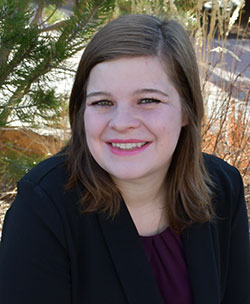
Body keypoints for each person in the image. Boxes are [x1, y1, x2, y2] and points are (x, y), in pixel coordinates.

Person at [0, 14, 249, 304]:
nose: (122, 122)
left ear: (186, 109)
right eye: (102, 102)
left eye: (148, 100)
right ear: (82, 113)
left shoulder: (222, 187)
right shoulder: (43, 207)